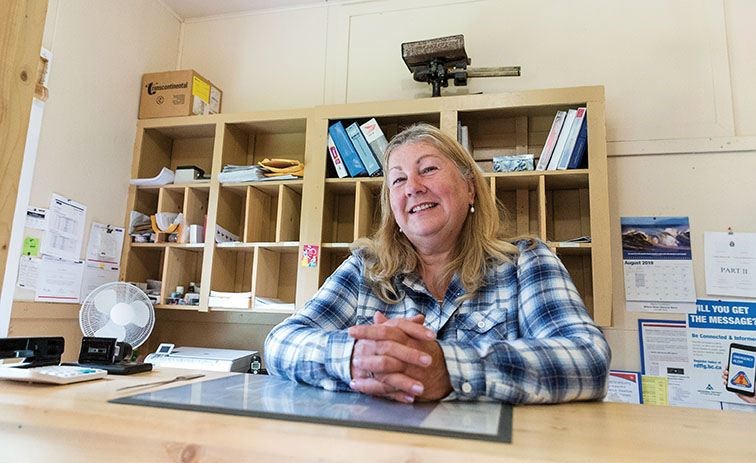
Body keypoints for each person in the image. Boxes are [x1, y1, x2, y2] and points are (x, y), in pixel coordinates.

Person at [264, 123, 611, 404]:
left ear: (470, 189)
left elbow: (588, 358)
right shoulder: (364, 269)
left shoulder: (526, 262)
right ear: (393, 209)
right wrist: (355, 356)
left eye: (428, 169)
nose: (412, 187)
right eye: (398, 179)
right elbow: (279, 343)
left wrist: (447, 368)